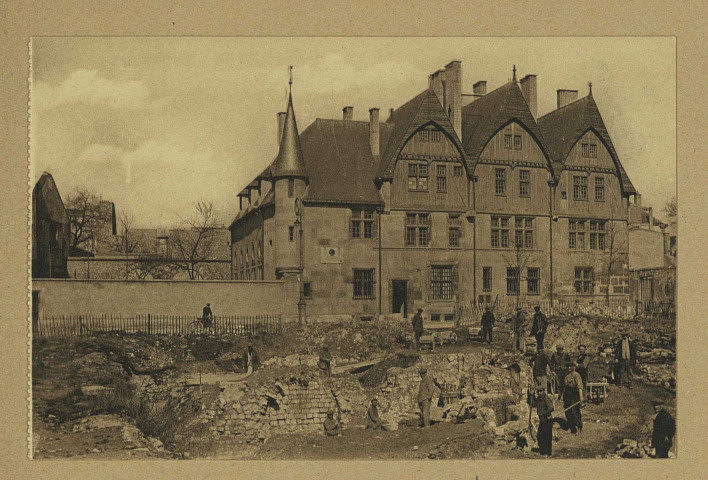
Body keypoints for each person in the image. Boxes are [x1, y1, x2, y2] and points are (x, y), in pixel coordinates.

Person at [562, 362, 586, 434]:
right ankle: (572, 427)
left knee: (575, 411)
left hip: (574, 395)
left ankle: (579, 427)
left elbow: (579, 387)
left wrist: (581, 397)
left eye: (570, 367)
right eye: (567, 367)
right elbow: (565, 386)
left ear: (574, 367)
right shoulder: (566, 375)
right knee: (567, 412)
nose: (569, 368)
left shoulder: (576, 375)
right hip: (567, 395)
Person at [534, 385, 554, 456]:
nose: (539, 393)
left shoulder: (546, 398)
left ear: (543, 391)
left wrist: (544, 413)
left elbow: (551, 408)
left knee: (547, 436)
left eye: (540, 391)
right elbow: (534, 403)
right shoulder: (539, 399)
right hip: (542, 420)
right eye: (538, 391)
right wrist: (531, 395)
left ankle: (548, 452)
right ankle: (542, 450)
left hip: (547, 420)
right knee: (540, 436)